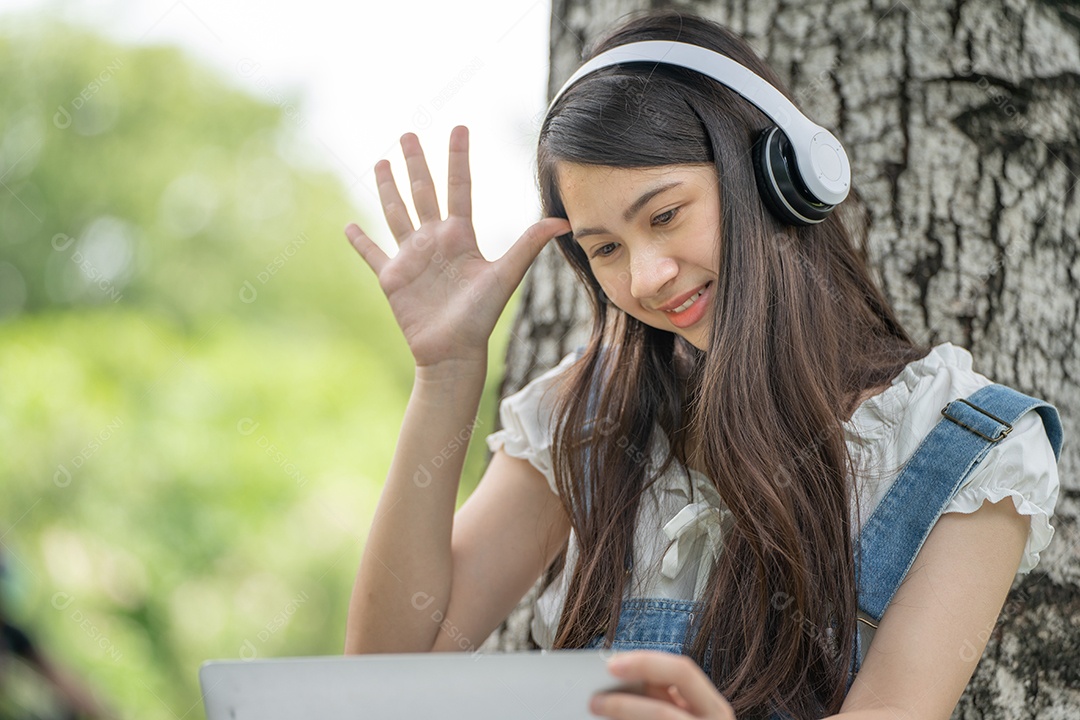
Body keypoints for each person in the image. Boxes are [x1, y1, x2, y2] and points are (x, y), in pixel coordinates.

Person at [341, 9, 1063, 720]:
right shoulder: (588, 418)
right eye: (606, 250)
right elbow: (381, 681)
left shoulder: (965, 447)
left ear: (780, 176)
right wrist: (448, 371)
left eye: (664, 215)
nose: (647, 277)